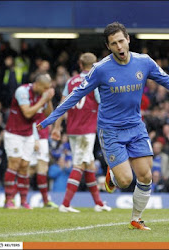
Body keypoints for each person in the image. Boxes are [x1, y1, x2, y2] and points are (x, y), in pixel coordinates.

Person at [37, 22, 169, 230]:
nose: (119, 46)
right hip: (111, 130)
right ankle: (113, 175)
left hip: (135, 127)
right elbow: (74, 95)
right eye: (114, 43)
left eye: (121, 41)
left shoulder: (144, 62)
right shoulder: (100, 69)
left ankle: (136, 218)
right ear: (108, 46)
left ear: (128, 39)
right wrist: (50, 120)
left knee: (146, 175)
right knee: (124, 180)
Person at [51, 52, 111, 213]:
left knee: (89, 163)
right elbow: (102, 103)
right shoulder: (95, 80)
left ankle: (98, 203)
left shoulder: (70, 81)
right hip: (87, 130)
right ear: (95, 64)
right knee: (80, 163)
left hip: (72, 129)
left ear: (79, 64)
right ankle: (65, 204)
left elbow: (62, 105)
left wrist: (57, 127)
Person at [3, 73, 54, 209]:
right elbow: (27, 113)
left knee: (25, 166)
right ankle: (8, 200)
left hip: (29, 134)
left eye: (48, 89)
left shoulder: (42, 95)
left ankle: (24, 201)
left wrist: (48, 100)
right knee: (14, 163)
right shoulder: (22, 91)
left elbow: (49, 115)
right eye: (45, 88)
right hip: (14, 133)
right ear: (37, 85)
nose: (46, 91)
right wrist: (43, 100)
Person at [31, 115, 59, 208]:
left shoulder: (45, 101)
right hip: (29, 135)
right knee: (26, 169)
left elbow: (49, 112)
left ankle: (45, 201)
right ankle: (16, 198)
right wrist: (35, 138)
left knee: (43, 169)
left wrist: (48, 100)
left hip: (43, 136)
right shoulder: (32, 100)